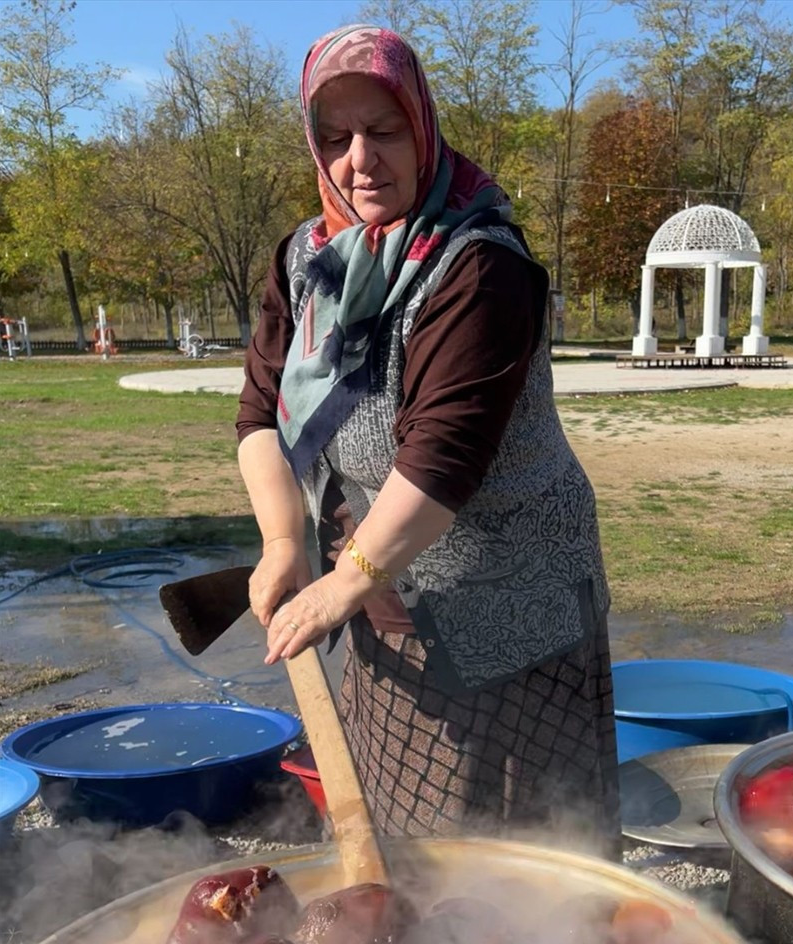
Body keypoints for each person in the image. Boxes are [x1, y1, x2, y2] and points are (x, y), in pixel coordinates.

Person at [235, 24, 619, 858]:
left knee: (527, 852)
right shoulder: (309, 260)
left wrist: (340, 586)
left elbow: (441, 462)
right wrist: (281, 542)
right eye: (336, 138)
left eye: (385, 129)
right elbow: (261, 415)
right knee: (404, 827)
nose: (361, 160)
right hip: (383, 592)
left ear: (424, 125)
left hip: (513, 598)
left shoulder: (481, 267)